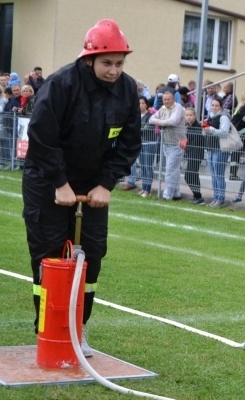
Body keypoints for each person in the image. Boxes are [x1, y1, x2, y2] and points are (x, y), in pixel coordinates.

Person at [22, 19, 140, 355]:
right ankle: (47, 329)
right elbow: (42, 137)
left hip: (92, 185)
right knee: (49, 257)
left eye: (119, 64)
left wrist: (106, 184)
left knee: (92, 257)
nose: (114, 71)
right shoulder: (61, 84)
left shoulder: (128, 90)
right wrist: (60, 183)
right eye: (107, 63)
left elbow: (129, 144)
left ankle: (78, 328)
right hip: (47, 180)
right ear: (89, 59)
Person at [149, 89, 186, 201]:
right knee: (174, 170)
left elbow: (173, 121)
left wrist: (159, 121)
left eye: (168, 99)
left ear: (173, 99)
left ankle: (167, 195)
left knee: (170, 170)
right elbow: (151, 119)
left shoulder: (178, 107)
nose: (166, 101)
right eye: (164, 99)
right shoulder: (163, 108)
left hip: (177, 144)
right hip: (166, 144)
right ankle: (176, 193)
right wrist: (162, 121)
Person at [203, 97, 233, 208]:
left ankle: (221, 199)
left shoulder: (224, 117)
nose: (214, 107)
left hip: (220, 149)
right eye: (212, 105)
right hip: (210, 148)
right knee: (213, 175)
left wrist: (211, 130)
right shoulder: (210, 116)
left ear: (221, 107)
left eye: (216, 105)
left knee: (219, 175)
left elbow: (224, 132)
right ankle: (215, 197)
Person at [182, 107, 206, 204]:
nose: (188, 117)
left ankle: (198, 196)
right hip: (191, 153)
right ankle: (197, 196)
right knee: (192, 175)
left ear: (195, 116)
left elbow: (196, 142)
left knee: (189, 175)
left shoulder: (197, 127)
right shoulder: (189, 127)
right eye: (187, 115)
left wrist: (186, 146)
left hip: (196, 154)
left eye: (190, 115)